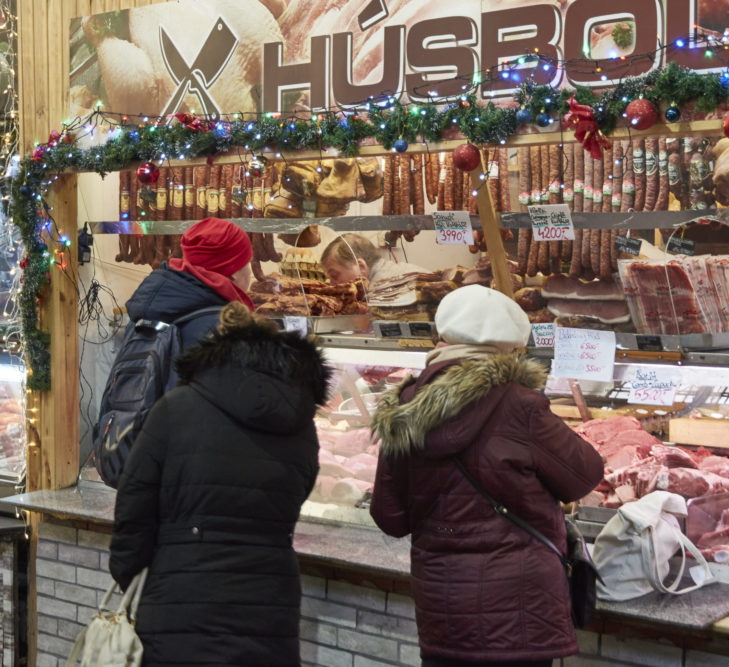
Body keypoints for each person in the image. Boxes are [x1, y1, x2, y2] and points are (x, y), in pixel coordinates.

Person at [369, 284, 604, 667]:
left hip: (443, 606)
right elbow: (584, 476)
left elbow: (390, 518)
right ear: (511, 347)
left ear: (442, 337)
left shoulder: (403, 409)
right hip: (520, 611)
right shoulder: (521, 406)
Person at [109, 302, 330, 666]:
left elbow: (133, 509)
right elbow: (301, 488)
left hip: (180, 598)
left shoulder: (176, 408)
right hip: (270, 597)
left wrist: (133, 574)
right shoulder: (300, 419)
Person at [125, 216, 255, 349]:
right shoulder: (227, 329)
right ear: (233, 271)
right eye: (248, 261)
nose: (250, 271)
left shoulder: (142, 318)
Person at [320, 232, 428, 286]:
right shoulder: (383, 274)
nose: (332, 284)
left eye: (335, 276)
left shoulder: (381, 287)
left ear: (361, 267)